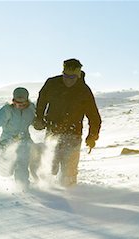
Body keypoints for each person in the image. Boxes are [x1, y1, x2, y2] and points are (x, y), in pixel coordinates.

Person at [33, 58, 101, 186]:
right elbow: (41, 101)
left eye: (72, 77)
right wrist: (39, 118)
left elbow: (94, 116)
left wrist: (92, 136)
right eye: (66, 76)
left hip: (73, 134)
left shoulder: (83, 90)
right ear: (62, 72)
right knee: (50, 167)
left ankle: (69, 194)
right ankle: (45, 192)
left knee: (69, 171)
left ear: (78, 75)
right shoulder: (52, 83)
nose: (68, 80)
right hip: (53, 132)